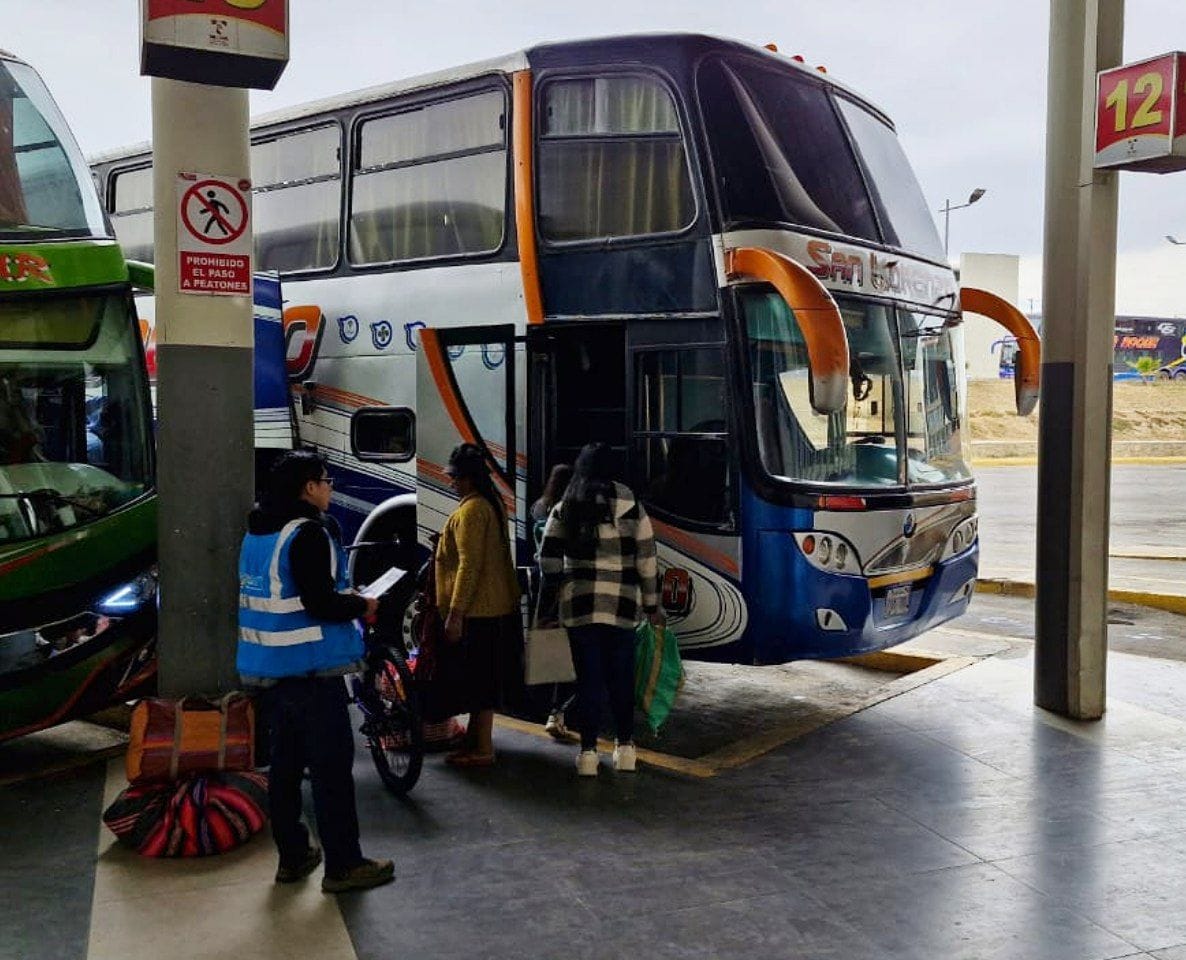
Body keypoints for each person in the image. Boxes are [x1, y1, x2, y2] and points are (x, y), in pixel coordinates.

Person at [237, 449, 394, 893]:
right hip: (311, 672)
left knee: (284, 770)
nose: (331, 488)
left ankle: (294, 855)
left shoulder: (258, 533)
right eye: (326, 481)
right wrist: (362, 604)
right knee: (330, 772)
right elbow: (320, 602)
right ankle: (345, 865)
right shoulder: (307, 533)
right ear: (309, 487)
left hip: (269, 670)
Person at [538, 442, 663, 777]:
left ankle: (589, 754)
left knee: (588, 681)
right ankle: (625, 750)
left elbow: (547, 559)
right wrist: (652, 605)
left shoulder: (568, 503)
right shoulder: (631, 505)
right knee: (621, 680)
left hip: (579, 606)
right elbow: (647, 560)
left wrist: (559, 585)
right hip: (622, 606)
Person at [434, 443, 522, 767]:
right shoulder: (490, 504)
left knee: (480, 684)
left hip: (478, 611)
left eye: (455, 478)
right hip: (493, 608)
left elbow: (469, 566)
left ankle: (483, 749)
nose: (451, 483)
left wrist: (455, 613)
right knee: (481, 680)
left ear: (468, 479)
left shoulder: (472, 510)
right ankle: (474, 742)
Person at [529, 463, 577, 741]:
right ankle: (558, 712)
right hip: (561, 582)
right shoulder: (566, 513)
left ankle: (545, 707)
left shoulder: (539, 507)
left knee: (550, 646)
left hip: (541, 580)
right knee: (570, 651)